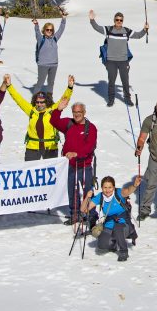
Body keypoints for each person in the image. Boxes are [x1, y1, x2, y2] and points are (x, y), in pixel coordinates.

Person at [51, 94, 97, 223]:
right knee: (72, 191)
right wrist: (58, 110)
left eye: (79, 112)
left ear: (84, 112)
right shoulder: (68, 123)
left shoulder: (91, 128)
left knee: (88, 192)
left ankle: (91, 214)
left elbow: (90, 146)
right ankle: (75, 215)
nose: (77, 114)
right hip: (70, 166)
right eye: (74, 112)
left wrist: (77, 154)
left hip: (85, 166)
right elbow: (53, 121)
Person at [6, 74, 74, 161]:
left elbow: (64, 99)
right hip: (32, 147)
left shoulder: (52, 110)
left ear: (47, 102)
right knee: (31, 170)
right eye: (37, 102)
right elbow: (19, 99)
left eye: (42, 102)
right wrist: (9, 86)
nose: (39, 104)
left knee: (50, 172)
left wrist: (69, 88)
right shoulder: (31, 110)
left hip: (50, 147)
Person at [89, 9, 148, 106]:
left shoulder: (127, 31)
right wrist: (92, 20)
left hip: (123, 61)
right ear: (114, 20)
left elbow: (138, 35)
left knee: (125, 81)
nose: (119, 22)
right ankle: (111, 99)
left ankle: (127, 99)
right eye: (117, 20)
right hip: (111, 61)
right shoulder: (109, 30)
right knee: (111, 81)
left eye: (121, 20)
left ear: (123, 21)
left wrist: (145, 29)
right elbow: (97, 28)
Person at [81, 175, 141, 262]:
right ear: (102, 188)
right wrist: (87, 197)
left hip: (123, 224)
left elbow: (128, 191)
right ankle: (115, 243)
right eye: (105, 187)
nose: (107, 190)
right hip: (109, 224)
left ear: (113, 187)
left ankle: (124, 251)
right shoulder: (100, 197)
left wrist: (135, 185)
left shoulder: (119, 193)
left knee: (118, 228)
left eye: (110, 187)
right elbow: (84, 209)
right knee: (102, 245)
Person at [33, 10, 67, 98]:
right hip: (43, 65)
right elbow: (37, 33)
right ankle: (34, 99)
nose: (49, 31)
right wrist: (36, 25)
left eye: (51, 30)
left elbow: (61, 29)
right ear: (44, 30)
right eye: (47, 29)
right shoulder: (41, 39)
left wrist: (63, 18)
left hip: (54, 64)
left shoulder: (55, 38)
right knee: (40, 82)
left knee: (51, 83)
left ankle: (49, 99)